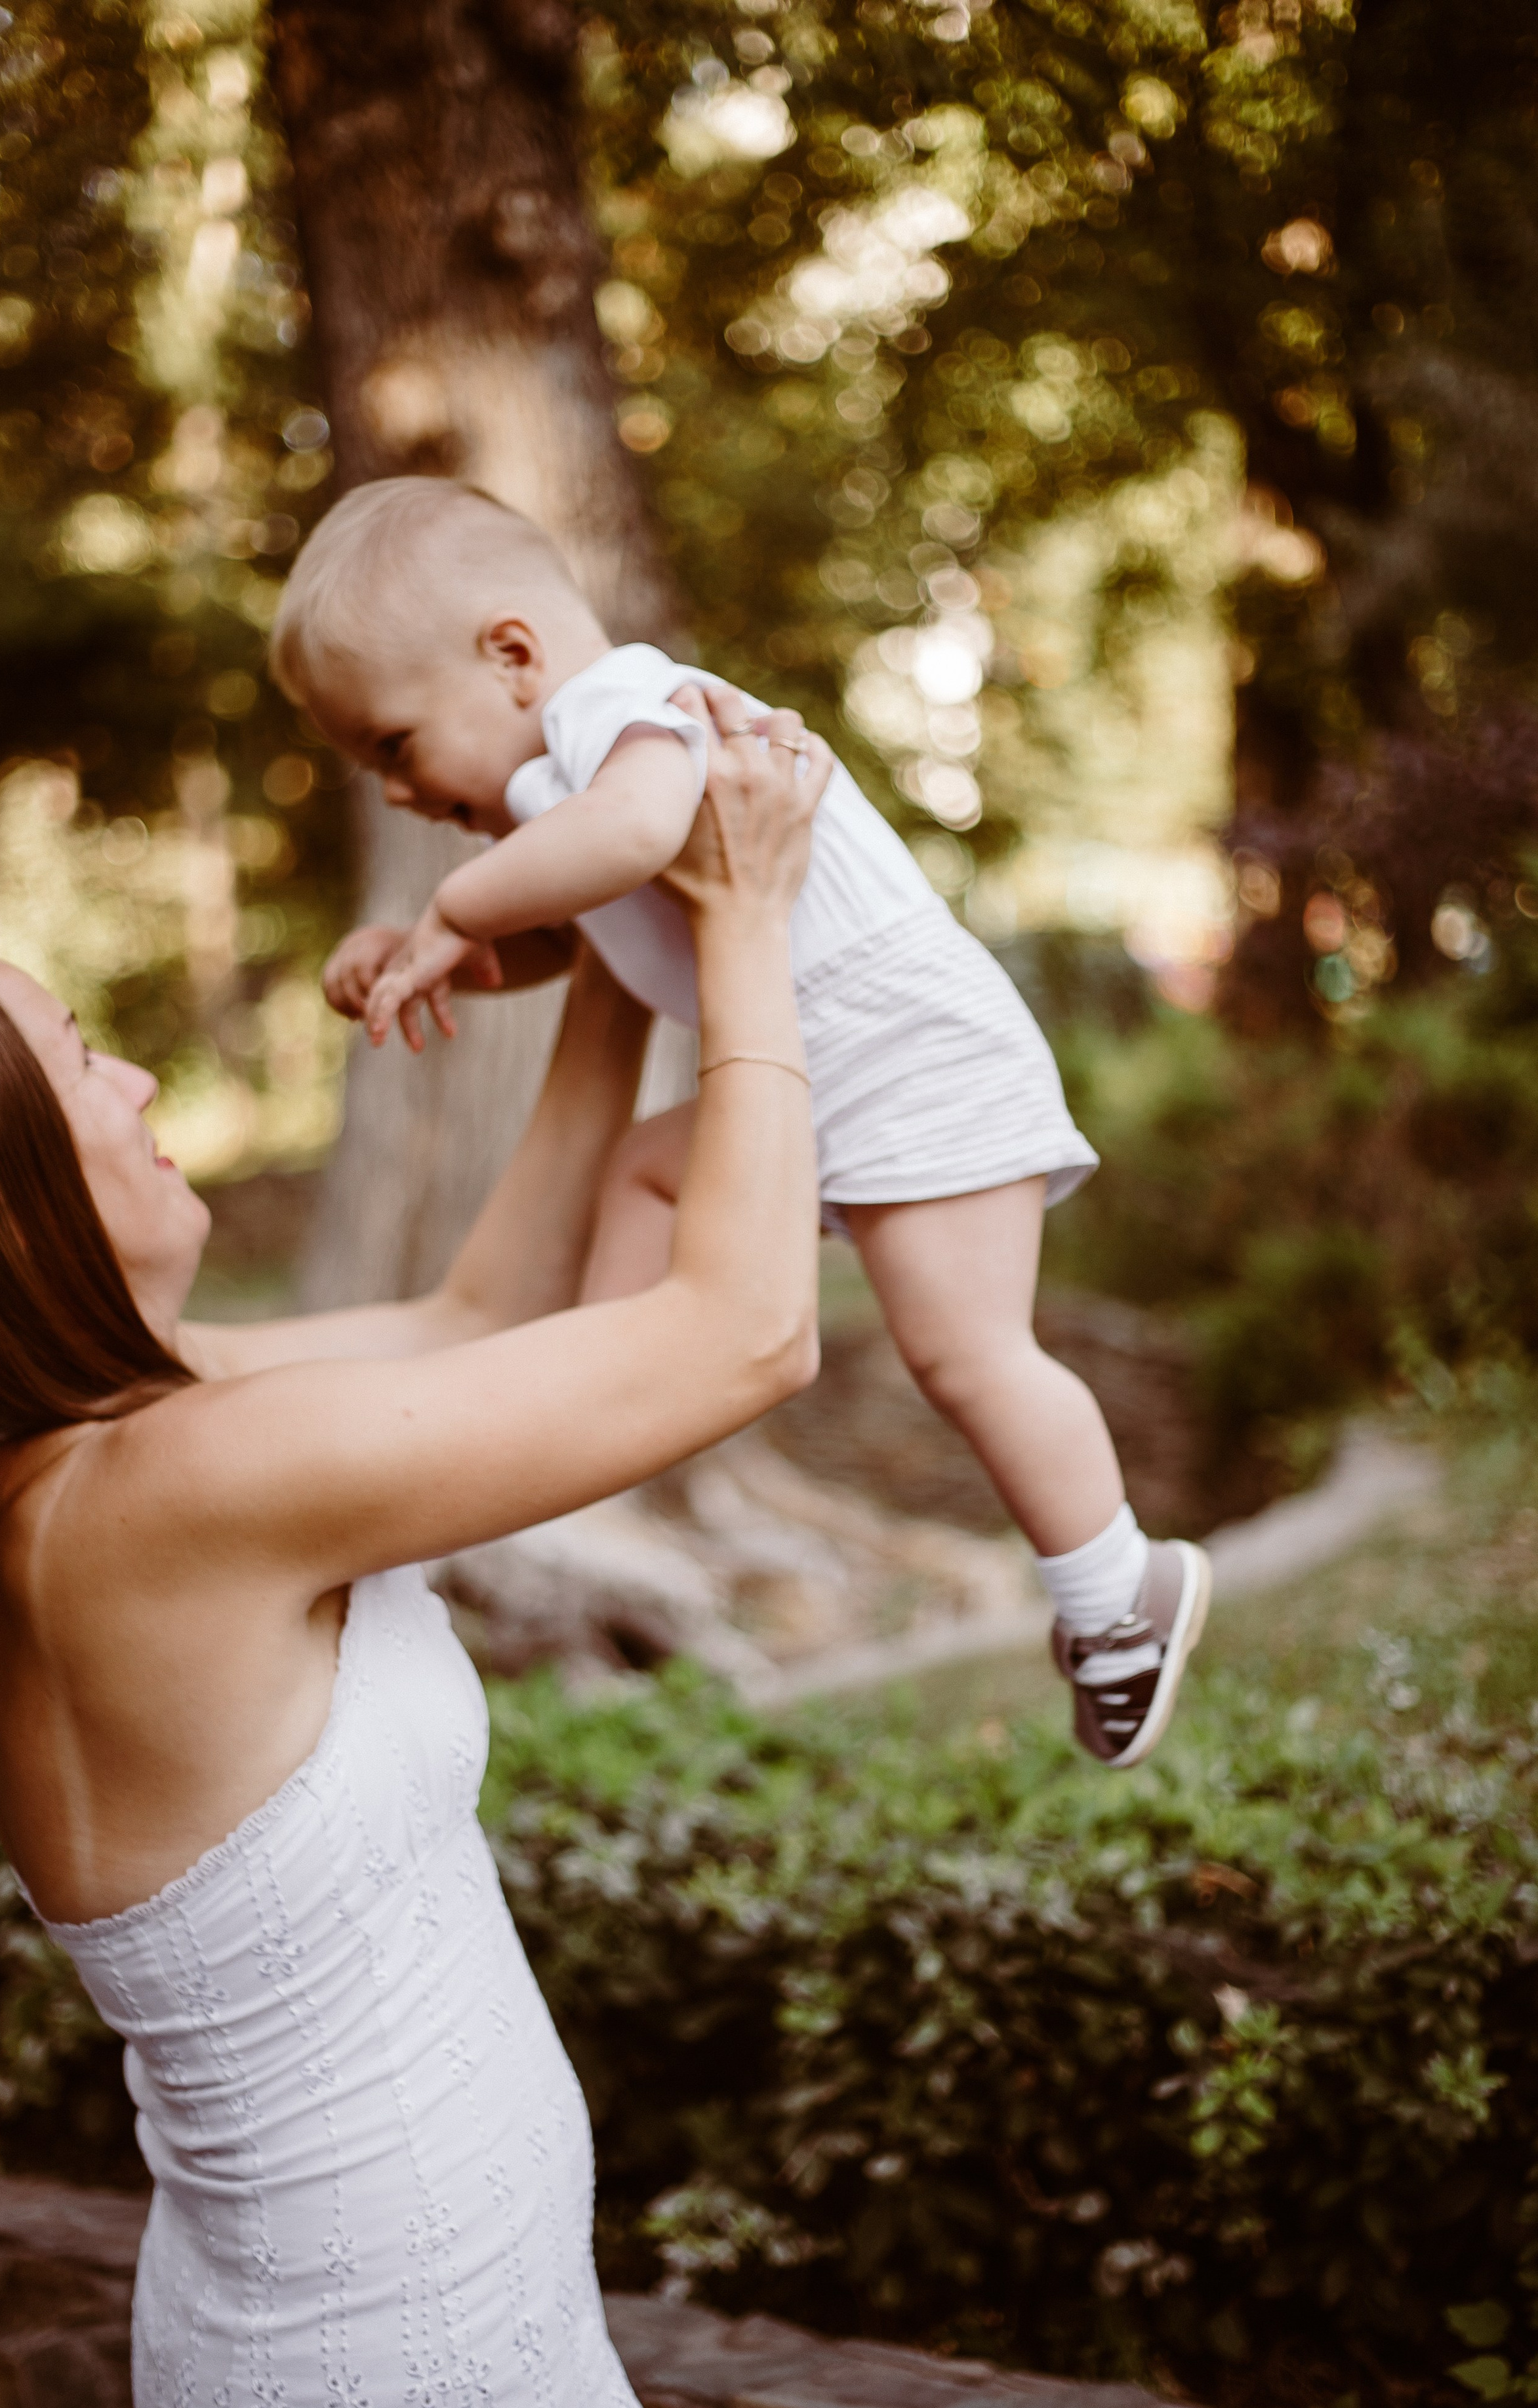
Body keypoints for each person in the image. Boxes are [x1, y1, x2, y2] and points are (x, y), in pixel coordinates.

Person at [0, 693, 828, 2408]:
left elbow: (480, 1321)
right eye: (89, 1061)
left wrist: (621, 956)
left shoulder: (89, 1456)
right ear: (3, 1203)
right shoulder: (169, 1496)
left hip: (410, 2352)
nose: (143, 1089)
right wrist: (744, 916)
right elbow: (748, 1331)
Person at [270, 479, 1211, 1766]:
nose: (390, 791)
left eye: (391, 744)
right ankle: (610, 1390)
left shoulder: (625, 706)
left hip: (901, 1051)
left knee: (962, 1353)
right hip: (821, 1072)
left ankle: (1117, 1594)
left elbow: (638, 832)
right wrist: (432, 951)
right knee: (654, 1175)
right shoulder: (563, 786)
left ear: (510, 655)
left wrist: (454, 910)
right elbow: (566, 927)